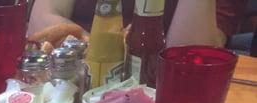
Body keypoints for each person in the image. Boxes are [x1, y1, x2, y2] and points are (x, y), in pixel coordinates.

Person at [27, 0, 248, 48]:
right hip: (66, 84)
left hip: (159, 97)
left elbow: (189, 55)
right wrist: (110, 49)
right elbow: (42, 20)